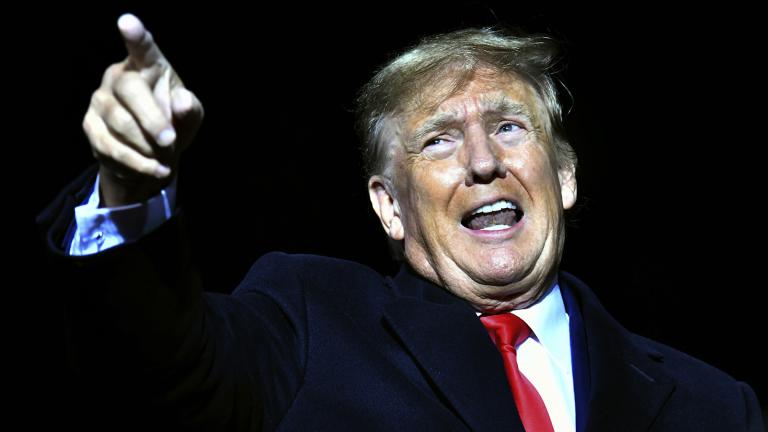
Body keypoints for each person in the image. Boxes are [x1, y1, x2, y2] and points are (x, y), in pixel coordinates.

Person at [37, 13, 764, 432]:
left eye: (510, 127)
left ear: (565, 176)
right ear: (389, 205)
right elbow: (157, 368)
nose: (483, 162)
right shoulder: (309, 320)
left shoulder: (716, 406)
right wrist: (129, 185)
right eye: (439, 139)